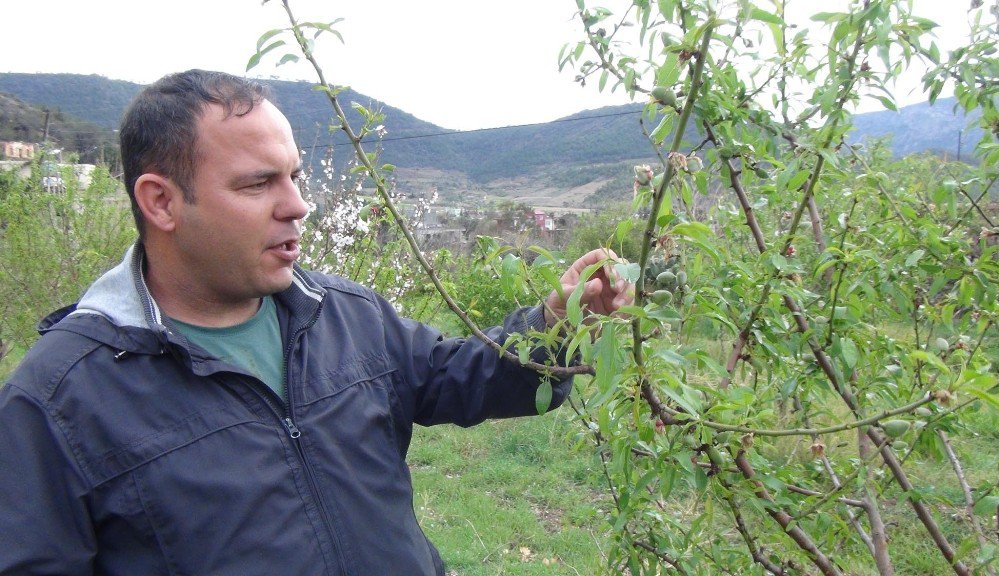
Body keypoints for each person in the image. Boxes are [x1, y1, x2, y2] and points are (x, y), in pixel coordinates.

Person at [0, 70, 632, 575]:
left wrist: (558, 319)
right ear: (160, 201)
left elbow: (464, 376)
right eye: (258, 185)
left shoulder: (345, 314)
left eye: (296, 177)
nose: (298, 205)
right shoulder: (59, 403)